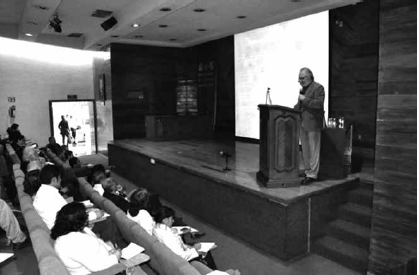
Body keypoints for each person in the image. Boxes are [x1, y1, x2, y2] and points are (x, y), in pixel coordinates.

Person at [51, 202, 146, 275]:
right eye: (86, 215)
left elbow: (93, 250)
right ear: (79, 222)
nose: (88, 216)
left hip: (105, 260)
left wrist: (109, 249)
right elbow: (97, 267)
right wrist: (115, 256)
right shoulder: (74, 243)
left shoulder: (68, 233)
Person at [153, 206, 217, 269]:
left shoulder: (156, 228)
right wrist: (194, 249)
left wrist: (186, 246)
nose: (173, 221)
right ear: (165, 220)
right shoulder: (169, 237)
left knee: (199, 246)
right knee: (206, 252)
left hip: (173, 254)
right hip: (181, 260)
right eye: (171, 218)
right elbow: (181, 257)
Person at [294, 67, 325, 185]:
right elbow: (300, 106)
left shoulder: (318, 88)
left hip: (313, 124)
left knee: (313, 150)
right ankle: (307, 170)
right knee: (305, 149)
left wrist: (304, 99)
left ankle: (312, 174)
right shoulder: (303, 90)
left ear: (308, 77)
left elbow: (318, 104)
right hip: (302, 123)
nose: (299, 80)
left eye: (301, 78)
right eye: (299, 78)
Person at [33, 164, 68, 229]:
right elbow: (68, 219)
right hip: (63, 231)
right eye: (60, 178)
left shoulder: (42, 192)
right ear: (54, 179)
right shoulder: (52, 197)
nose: (61, 180)